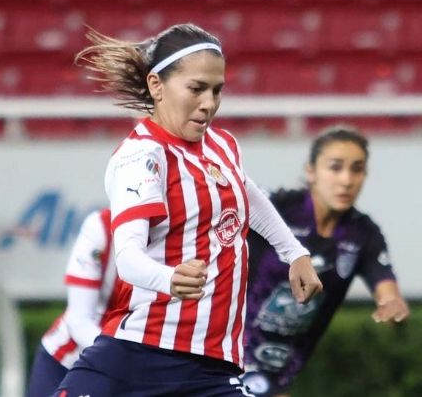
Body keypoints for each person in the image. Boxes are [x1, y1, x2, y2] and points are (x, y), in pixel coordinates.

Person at [54, 23, 323, 396]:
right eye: (196, 89)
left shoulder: (222, 144)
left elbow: (249, 195)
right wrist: (170, 279)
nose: (209, 103)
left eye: (217, 91)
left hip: (212, 369)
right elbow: (129, 258)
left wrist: (294, 252)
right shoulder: (142, 157)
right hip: (137, 357)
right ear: (156, 85)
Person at [241, 126, 411, 397]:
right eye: (335, 167)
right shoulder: (276, 207)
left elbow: (387, 290)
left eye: (356, 169)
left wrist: (393, 307)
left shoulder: (363, 234)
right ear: (311, 171)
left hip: (280, 373)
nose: (346, 180)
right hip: (224, 351)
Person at [25, 208, 125, 396]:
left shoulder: (187, 235)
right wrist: (129, 362)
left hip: (137, 366)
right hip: (68, 362)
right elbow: (79, 320)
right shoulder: (102, 225)